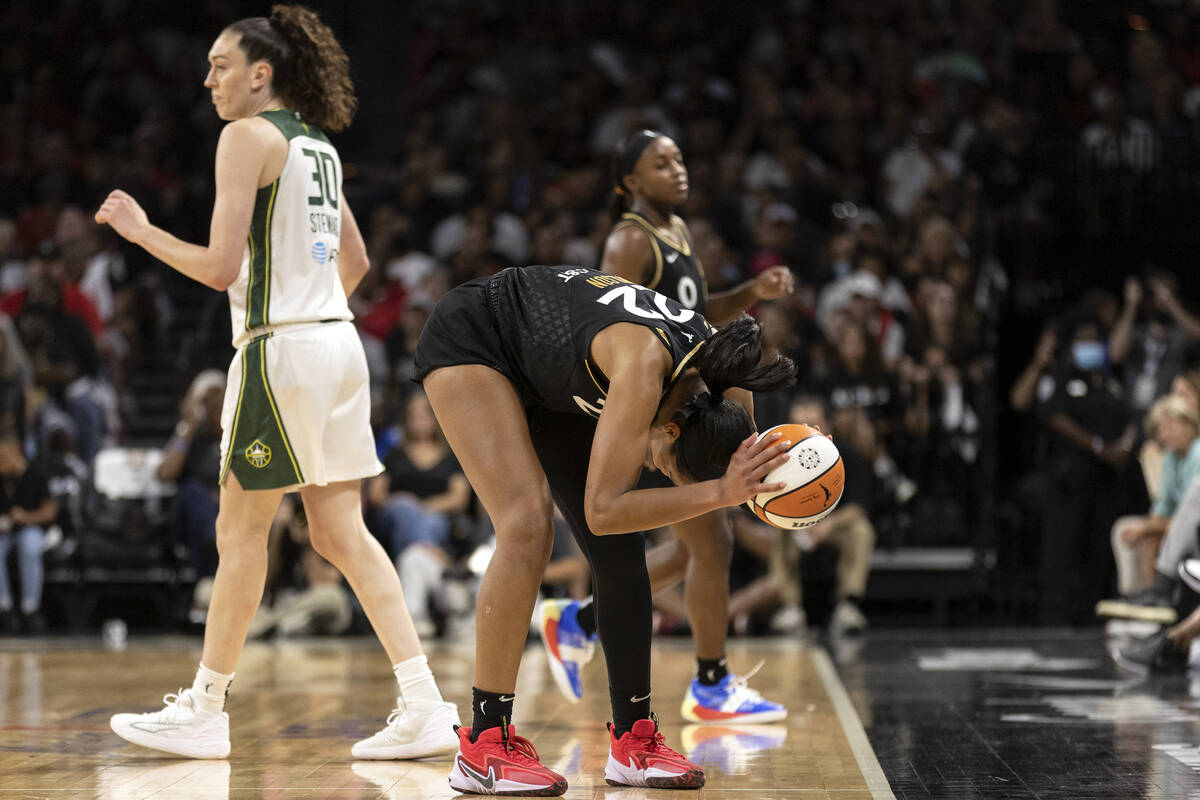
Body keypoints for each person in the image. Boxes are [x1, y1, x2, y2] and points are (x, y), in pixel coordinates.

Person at [94, 6, 457, 761]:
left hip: (281, 351)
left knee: (240, 532)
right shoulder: (315, 146)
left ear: (262, 73)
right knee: (337, 531)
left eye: (220, 64)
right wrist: (308, 298)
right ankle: (425, 702)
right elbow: (353, 262)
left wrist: (141, 231)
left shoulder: (245, 137)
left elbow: (222, 268)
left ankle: (204, 707)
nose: (209, 79)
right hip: (338, 347)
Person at [415, 264, 796, 793]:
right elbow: (602, 509)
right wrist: (716, 492)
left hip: (551, 367)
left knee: (621, 552)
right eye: (665, 463)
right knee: (528, 527)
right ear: (668, 428)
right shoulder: (642, 369)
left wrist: (796, 466)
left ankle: (635, 741)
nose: (657, 470)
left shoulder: (732, 394)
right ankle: (484, 745)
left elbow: (748, 471)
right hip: (481, 333)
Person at [536, 129, 794, 726]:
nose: (678, 170)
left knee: (695, 549)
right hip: (653, 420)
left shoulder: (675, 232)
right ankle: (709, 684)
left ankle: (575, 621)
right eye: (660, 163)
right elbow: (605, 316)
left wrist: (750, 292)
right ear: (628, 181)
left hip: (678, 408)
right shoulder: (630, 240)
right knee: (711, 544)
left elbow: (692, 319)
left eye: (680, 158)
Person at [367, 389, 470, 636]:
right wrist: (404, 503)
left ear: (436, 417)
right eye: (413, 415)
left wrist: (421, 507)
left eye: (424, 414)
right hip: (396, 517)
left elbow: (459, 498)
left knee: (429, 519)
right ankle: (442, 569)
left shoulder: (451, 456)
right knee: (404, 510)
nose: (418, 419)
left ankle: (419, 562)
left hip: (440, 519)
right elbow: (375, 495)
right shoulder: (395, 455)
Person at [0, 433, 56, 634]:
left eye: (3, 456)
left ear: (16, 451)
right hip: (5, 533)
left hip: (32, 528)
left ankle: (30, 609)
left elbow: (49, 512)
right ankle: (4, 608)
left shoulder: (35, 474)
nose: (1, 462)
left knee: (29, 546)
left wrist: (25, 517)